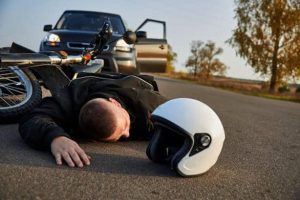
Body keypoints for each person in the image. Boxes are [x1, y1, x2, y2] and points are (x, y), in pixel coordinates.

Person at [19, 74, 167, 168]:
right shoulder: (67, 101)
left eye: (126, 125)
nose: (128, 134)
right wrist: (55, 138)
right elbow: (32, 118)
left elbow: (184, 113)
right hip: (85, 82)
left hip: (128, 81)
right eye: (122, 133)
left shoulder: (147, 104)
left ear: (115, 103)